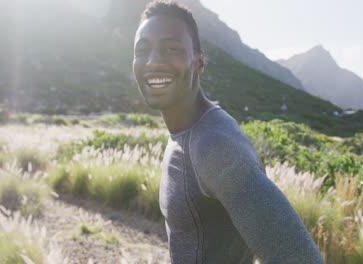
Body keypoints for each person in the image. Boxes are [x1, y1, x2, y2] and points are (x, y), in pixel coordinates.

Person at [132, 1, 324, 263]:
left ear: (198, 62)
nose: (153, 62)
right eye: (142, 50)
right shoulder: (189, 131)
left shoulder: (215, 145)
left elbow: (301, 258)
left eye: (171, 49)